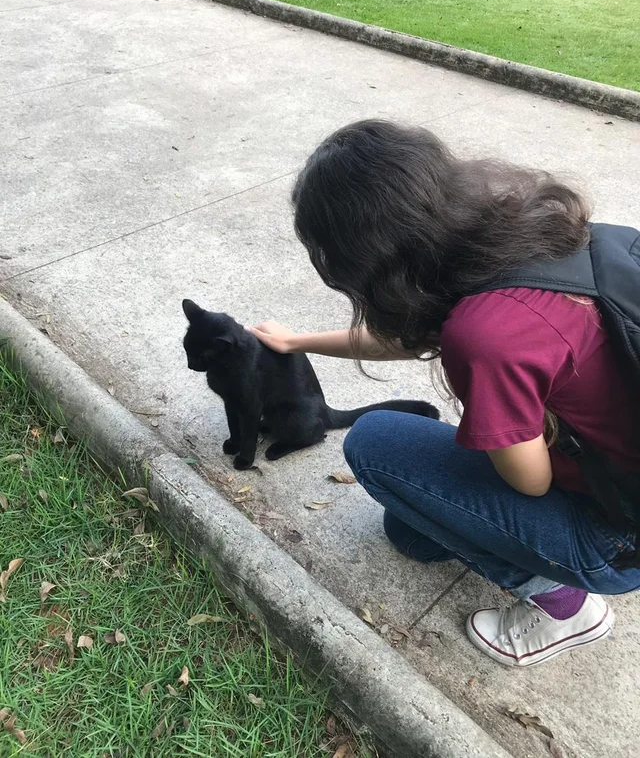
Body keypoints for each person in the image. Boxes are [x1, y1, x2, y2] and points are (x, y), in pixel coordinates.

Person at [248, 119, 640, 667]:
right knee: (408, 533)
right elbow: (416, 334)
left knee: (376, 443)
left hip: (617, 539)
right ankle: (494, 539)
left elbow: (532, 480)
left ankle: (566, 605)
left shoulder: (486, 335)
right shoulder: (539, 238)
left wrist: (499, 421)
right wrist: (300, 340)